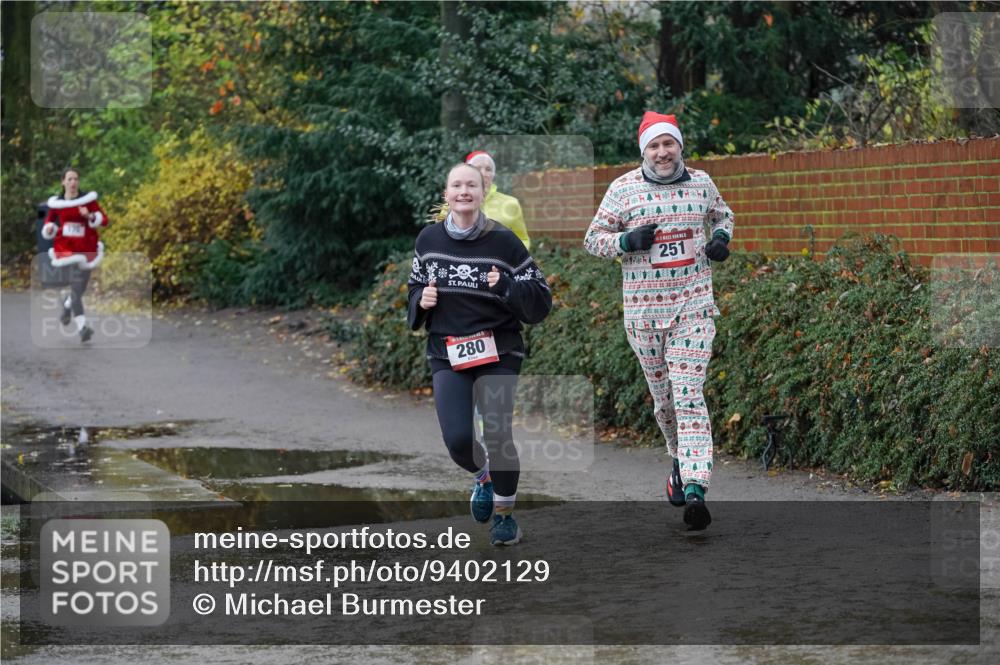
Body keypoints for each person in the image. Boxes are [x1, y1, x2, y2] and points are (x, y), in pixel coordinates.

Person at [583, 112, 734, 531]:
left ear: (680, 147)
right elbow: (593, 239)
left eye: (669, 144)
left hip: (694, 307)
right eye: (654, 146)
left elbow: (723, 215)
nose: (662, 152)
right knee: (665, 400)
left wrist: (720, 239)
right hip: (644, 314)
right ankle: (678, 457)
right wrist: (626, 241)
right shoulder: (623, 189)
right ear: (643, 151)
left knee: (688, 393)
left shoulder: (702, 184)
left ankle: (695, 486)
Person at [408, 163, 552, 545]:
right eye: (456, 185)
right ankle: (482, 478)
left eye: (471, 184)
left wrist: (507, 286)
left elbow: (540, 299)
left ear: (482, 192)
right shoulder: (428, 240)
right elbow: (414, 288)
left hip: (499, 349)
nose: (464, 191)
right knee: (457, 439)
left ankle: (505, 515)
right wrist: (421, 299)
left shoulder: (504, 242)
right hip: (447, 351)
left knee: (498, 432)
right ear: (447, 194)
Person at [40, 168, 109, 343]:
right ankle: (82, 328)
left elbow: (105, 220)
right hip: (67, 249)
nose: (73, 183)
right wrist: (49, 228)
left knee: (81, 288)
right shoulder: (57, 204)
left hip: (86, 248)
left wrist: (90, 215)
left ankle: (67, 306)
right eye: (70, 179)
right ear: (63, 182)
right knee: (77, 286)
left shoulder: (88, 200)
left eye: (76, 179)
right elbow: (49, 221)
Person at [433, 151, 532, 251]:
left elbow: (522, 239)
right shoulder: (452, 206)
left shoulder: (510, 203)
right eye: (477, 168)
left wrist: (510, 262)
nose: (484, 173)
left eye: (488, 169)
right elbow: (440, 240)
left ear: (493, 174)